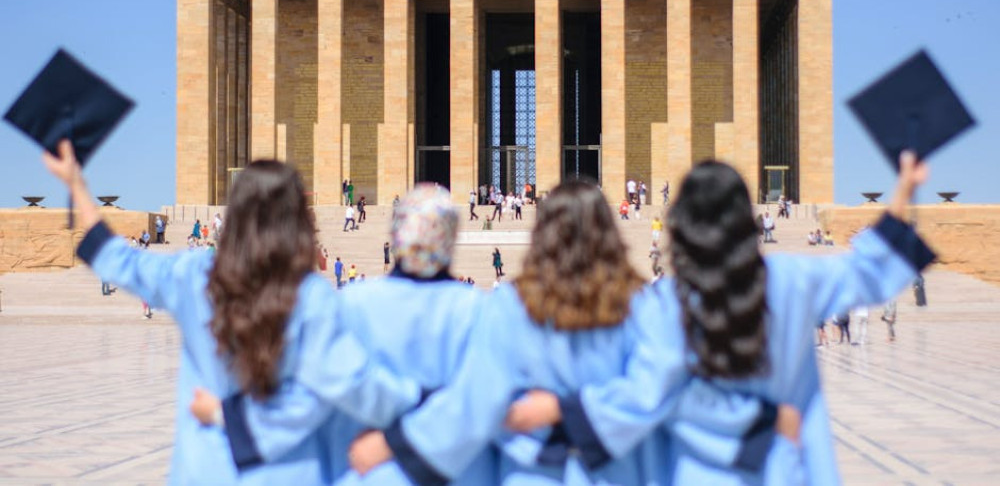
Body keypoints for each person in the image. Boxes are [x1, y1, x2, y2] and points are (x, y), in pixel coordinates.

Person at [497, 153, 934, 484]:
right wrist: (904, 189)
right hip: (781, 467)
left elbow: (647, 397)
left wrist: (562, 409)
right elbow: (869, 269)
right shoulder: (793, 282)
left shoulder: (666, 304)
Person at [348, 180, 795, 484]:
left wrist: (394, 444)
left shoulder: (509, 305)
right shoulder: (643, 304)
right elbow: (658, 390)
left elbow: (477, 403)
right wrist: (763, 418)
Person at [42, 141, 417, 484]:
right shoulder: (311, 296)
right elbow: (339, 389)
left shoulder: (192, 276)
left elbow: (117, 261)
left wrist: (76, 185)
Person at [189, 185, 495, 485]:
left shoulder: (352, 303)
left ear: (395, 233)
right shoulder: (479, 311)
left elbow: (310, 398)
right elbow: (487, 402)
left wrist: (225, 415)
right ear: (451, 237)